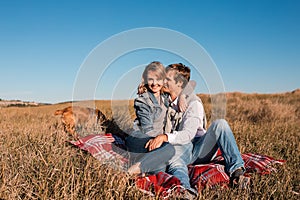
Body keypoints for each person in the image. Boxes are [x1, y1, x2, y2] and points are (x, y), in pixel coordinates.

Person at [135, 63, 247, 194]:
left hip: (199, 148)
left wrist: (164, 137)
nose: (163, 81)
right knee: (175, 158)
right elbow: (190, 83)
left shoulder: (193, 104)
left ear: (180, 84)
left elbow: (187, 135)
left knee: (220, 124)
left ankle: (237, 172)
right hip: (178, 148)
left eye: (167, 79)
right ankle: (185, 190)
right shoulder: (166, 99)